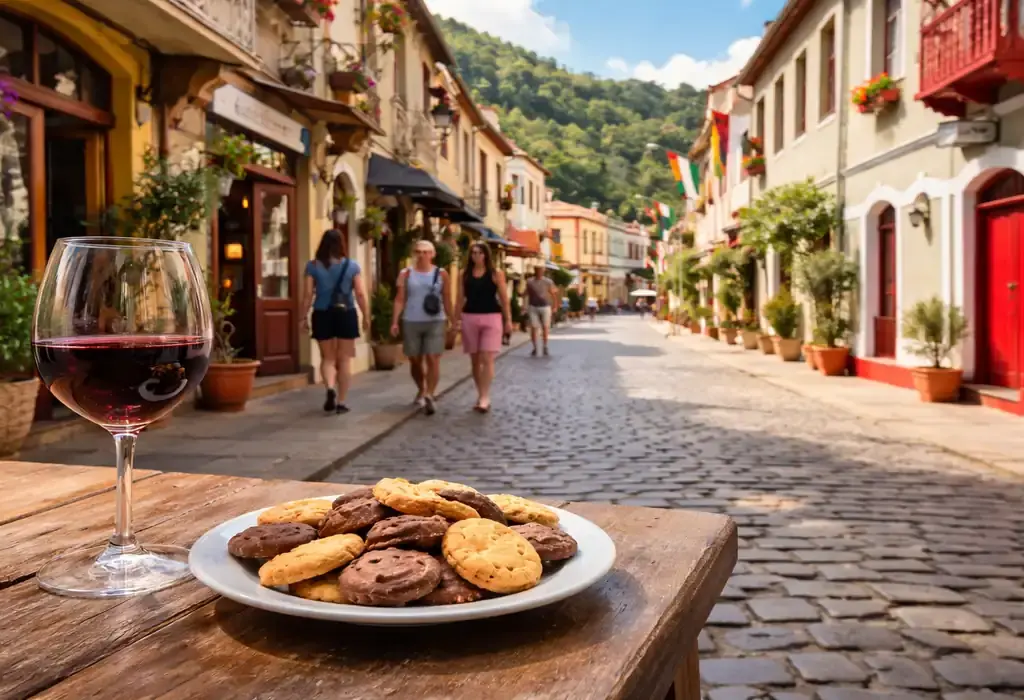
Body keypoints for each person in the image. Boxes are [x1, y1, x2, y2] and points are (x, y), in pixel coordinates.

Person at [300, 229, 369, 414]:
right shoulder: (352, 266)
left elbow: (307, 295)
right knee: (344, 359)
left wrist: (302, 317)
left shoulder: (312, 266)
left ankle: (330, 387)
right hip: (346, 312)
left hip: (322, 313)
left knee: (328, 358)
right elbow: (361, 294)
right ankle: (342, 401)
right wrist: (367, 317)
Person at [391, 240, 452, 416]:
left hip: (435, 320)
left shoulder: (442, 274)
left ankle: (430, 395)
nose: (422, 255)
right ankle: (421, 388)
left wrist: (453, 319)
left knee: (433, 358)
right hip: (411, 320)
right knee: (415, 359)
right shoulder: (406, 273)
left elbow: (446, 298)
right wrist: (395, 321)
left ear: (433, 254)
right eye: (418, 251)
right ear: (414, 253)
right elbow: (400, 299)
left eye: (426, 252)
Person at [454, 243, 512, 413]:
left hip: (492, 317)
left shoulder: (495, 274)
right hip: (469, 317)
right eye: (473, 253)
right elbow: (459, 299)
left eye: (479, 253)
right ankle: (480, 394)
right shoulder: (464, 275)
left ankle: (485, 396)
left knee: (487, 357)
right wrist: (455, 320)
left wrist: (508, 320)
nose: (476, 256)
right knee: (475, 361)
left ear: (486, 255)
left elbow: (504, 298)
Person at [525, 265, 558, 356]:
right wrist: (524, 304)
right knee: (534, 328)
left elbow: (553, 294)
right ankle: (535, 348)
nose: (539, 272)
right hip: (533, 306)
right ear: (534, 271)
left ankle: (545, 346)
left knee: (545, 327)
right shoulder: (530, 282)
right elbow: (526, 293)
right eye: (537, 270)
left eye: (540, 270)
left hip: (545, 306)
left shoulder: (548, 282)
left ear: (543, 271)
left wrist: (555, 305)